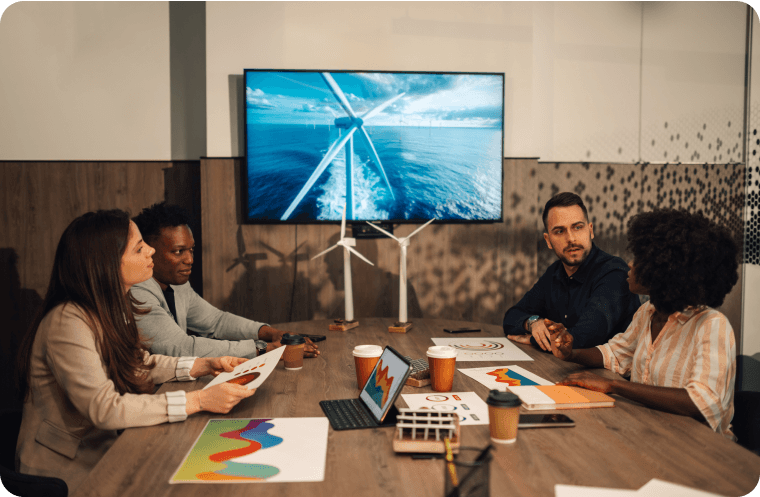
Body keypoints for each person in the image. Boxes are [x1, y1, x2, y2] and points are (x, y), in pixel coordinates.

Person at [15, 210, 256, 493]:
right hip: (63, 473)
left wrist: (203, 365)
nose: (151, 250)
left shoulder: (112, 305)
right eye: (140, 247)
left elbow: (137, 362)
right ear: (107, 262)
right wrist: (199, 400)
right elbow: (104, 408)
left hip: (103, 452)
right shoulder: (67, 321)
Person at [551, 208, 739, 439]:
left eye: (641, 260)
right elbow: (615, 354)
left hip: (700, 449)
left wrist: (613, 386)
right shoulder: (647, 312)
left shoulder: (712, 325)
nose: (630, 264)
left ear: (665, 270)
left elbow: (702, 403)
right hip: (648, 433)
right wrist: (571, 352)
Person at [131, 202, 318, 359]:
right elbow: (182, 348)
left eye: (191, 250)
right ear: (147, 250)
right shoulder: (137, 291)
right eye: (178, 251)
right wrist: (264, 348)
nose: (190, 260)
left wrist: (272, 333)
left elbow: (216, 321)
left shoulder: (176, 283)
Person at [503, 192, 640, 350]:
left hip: (611, 373)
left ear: (590, 231)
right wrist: (533, 323)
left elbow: (586, 336)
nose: (571, 239)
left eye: (577, 227)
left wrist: (536, 340)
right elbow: (512, 317)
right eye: (560, 231)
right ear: (548, 241)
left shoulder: (614, 273)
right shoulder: (555, 272)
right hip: (567, 367)